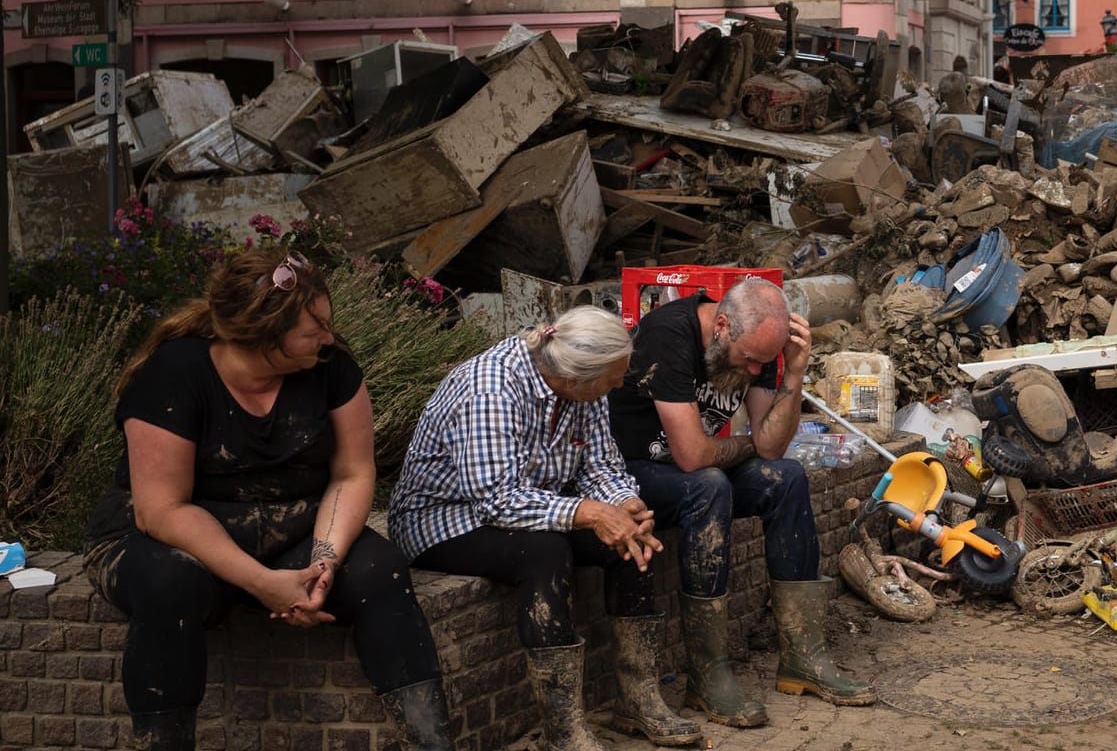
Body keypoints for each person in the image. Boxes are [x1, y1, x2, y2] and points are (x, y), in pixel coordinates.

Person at [82, 249, 451, 751]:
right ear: (261, 338)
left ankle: (431, 743)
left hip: (292, 530)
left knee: (378, 569)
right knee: (172, 583)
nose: (328, 337)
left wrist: (325, 561)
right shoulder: (173, 375)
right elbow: (162, 509)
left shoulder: (331, 365)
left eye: (327, 322)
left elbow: (352, 472)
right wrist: (263, 584)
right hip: (169, 537)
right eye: (312, 329)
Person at [389, 307, 700, 750]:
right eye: (611, 381)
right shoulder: (490, 388)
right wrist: (591, 513)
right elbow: (498, 498)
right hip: (445, 518)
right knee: (545, 551)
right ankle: (564, 729)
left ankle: (637, 698)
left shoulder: (583, 389)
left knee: (631, 541)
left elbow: (601, 466)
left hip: (530, 506)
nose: (617, 387)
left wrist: (623, 505)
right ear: (576, 378)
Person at [607, 278, 875, 729]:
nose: (753, 371)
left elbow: (770, 446)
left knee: (786, 478)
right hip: (630, 472)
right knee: (709, 484)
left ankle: (803, 656)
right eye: (748, 360)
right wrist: (746, 446)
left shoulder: (762, 348)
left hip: (698, 468)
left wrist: (793, 372)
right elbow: (693, 456)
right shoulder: (669, 333)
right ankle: (708, 674)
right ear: (723, 325)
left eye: (762, 363)